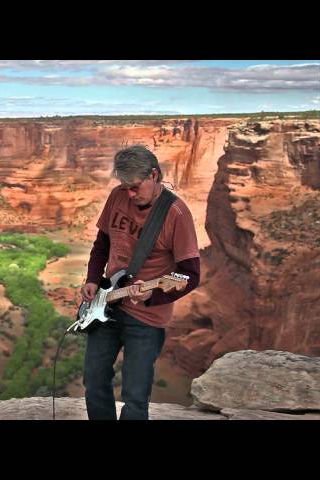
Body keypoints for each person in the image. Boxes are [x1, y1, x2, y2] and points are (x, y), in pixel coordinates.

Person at [80, 145, 200, 420]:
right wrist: (92, 280)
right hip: (107, 306)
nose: (130, 195)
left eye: (135, 187)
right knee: (94, 381)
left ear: (154, 175)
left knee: (135, 397)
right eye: (125, 187)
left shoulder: (176, 214)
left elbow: (190, 274)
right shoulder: (117, 196)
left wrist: (150, 296)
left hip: (146, 319)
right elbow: (102, 244)